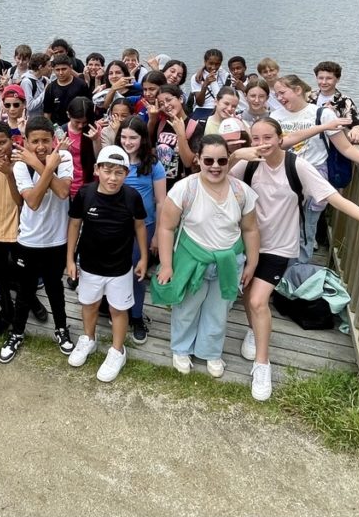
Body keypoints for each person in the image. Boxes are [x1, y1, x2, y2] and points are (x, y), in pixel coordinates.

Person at [229, 118, 359, 401]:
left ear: (281, 138)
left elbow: (336, 200)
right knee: (248, 295)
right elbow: (213, 179)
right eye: (255, 139)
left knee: (258, 300)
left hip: (279, 246)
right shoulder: (248, 164)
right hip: (247, 243)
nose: (261, 144)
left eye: (267, 138)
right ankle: (254, 330)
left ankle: (262, 365)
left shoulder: (297, 167)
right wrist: (233, 155)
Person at [154, 135, 260, 380]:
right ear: (198, 160)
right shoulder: (185, 189)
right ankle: (181, 349)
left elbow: (250, 229)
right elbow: (166, 227)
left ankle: (211, 352)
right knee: (187, 307)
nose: (215, 166)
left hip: (228, 261)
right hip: (192, 257)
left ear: (228, 161)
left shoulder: (241, 191)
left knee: (219, 310)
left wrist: (252, 262)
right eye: (208, 160)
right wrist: (167, 264)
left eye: (222, 160)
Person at [270, 74, 359, 260]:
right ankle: (281, 269)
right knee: (284, 226)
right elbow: (277, 146)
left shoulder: (322, 114)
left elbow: (345, 147)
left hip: (315, 176)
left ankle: (300, 269)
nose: (279, 98)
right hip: (285, 176)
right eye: (276, 95)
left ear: (298, 90)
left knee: (307, 227)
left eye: (282, 92)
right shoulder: (275, 117)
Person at [65, 146, 148, 382]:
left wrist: (143, 256)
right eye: (107, 171)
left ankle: (117, 350)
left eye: (119, 172)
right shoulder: (85, 194)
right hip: (89, 265)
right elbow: (74, 225)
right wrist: (70, 259)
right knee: (89, 304)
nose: (113, 178)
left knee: (118, 310)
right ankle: (88, 339)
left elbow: (140, 226)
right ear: (97, 170)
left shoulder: (132, 197)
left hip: (120, 267)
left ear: (127, 173)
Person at [0, 117, 76, 364]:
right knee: (25, 290)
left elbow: (64, 193)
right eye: (35, 142)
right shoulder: (21, 163)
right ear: (26, 142)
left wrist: (44, 166)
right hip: (29, 240)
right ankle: (17, 333)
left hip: (57, 240)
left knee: (55, 287)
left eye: (45, 140)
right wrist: (43, 166)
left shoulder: (64, 158)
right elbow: (32, 201)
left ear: (54, 141)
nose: (41, 146)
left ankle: (61, 329)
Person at [0, 122, 47, 328]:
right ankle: (7, 311)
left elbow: (21, 201)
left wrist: (8, 172)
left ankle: (31, 301)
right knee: (0, 274)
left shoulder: (22, 164)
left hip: (20, 229)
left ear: (12, 140)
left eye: (3, 142)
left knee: (23, 272)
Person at [117, 117, 166, 344]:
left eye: (133, 137)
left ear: (142, 138)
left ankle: (136, 316)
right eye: (124, 137)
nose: (127, 142)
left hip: (143, 228)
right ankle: (117, 311)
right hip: (116, 226)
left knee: (137, 273)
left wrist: (157, 234)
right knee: (115, 271)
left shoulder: (153, 164)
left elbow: (161, 201)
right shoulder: (114, 159)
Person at [152, 84, 197, 189]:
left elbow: (189, 163)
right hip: (161, 184)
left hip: (183, 186)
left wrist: (181, 134)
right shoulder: (161, 124)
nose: (166, 105)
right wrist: (152, 119)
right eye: (162, 104)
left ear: (180, 99)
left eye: (169, 100)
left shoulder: (193, 126)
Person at [308, 61, 359, 144]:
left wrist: (356, 130)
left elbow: (358, 125)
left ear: (337, 79)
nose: (323, 82)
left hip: (334, 142)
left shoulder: (345, 101)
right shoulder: (308, 97)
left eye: (329, 78)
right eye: (320, 78)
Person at [43, 54, 92, 126]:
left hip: (78, 125)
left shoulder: (81, 85)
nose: (61, 73)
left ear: (70, 68)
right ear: (53, 70)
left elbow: (89, 108)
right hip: (58, 128)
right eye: (57, 70)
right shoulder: (50, 88)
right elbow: (47, 113)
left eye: (64, 69)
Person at [189, 49, 232, 121]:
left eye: (217, 64)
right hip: (202, 109)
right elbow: (200, 103)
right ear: (205, 62)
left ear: (221, 63)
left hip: (220, 108)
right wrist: (205, 84)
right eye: (210, 63)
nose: (213, 67)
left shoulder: (224, 75)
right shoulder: (197, 77)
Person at [20, 52, 51, 116]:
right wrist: (45, 91)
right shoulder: (27, 82)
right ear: (40, 67)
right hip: (31, 120)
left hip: (43, 118)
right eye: (48, 66)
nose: (50, 68)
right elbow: (30, 106)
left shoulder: (46, 80)